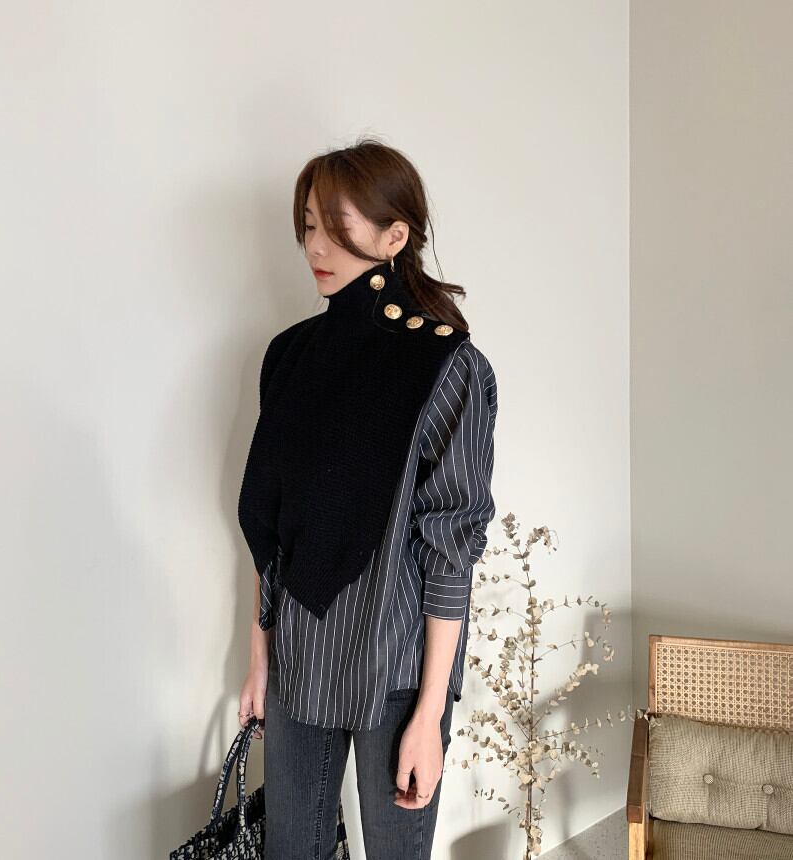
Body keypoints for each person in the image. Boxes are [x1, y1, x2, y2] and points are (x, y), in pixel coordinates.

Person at [235, 138, 498, 860]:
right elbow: (270, 529)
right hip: (299, 660)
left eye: (336, 227)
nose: (316, 247)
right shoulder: (289, 356)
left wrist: (430, 714)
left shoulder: (447, 365)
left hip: (396, 670)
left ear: (394, 237)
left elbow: (450, 553)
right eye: (308, 226)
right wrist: (259, 662)